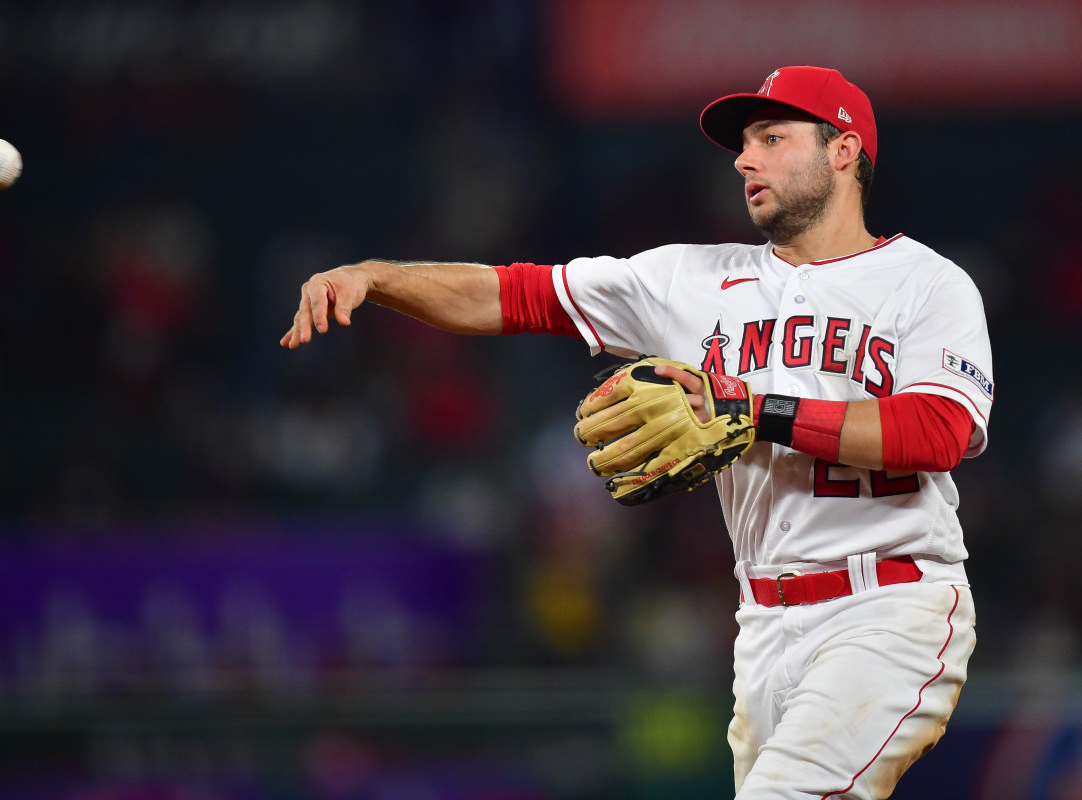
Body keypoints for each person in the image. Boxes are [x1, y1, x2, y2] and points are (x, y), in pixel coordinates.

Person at [281, 66, 994, 799]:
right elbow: (518, 294)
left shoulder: (926, 283)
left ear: (843, 151)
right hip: (764, 628)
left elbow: (937, 430)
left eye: (773, 138)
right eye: (743, 144)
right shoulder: (694, 281)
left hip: (890, 606)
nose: (745, 159)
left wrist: (756, 411)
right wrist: (377, 277)